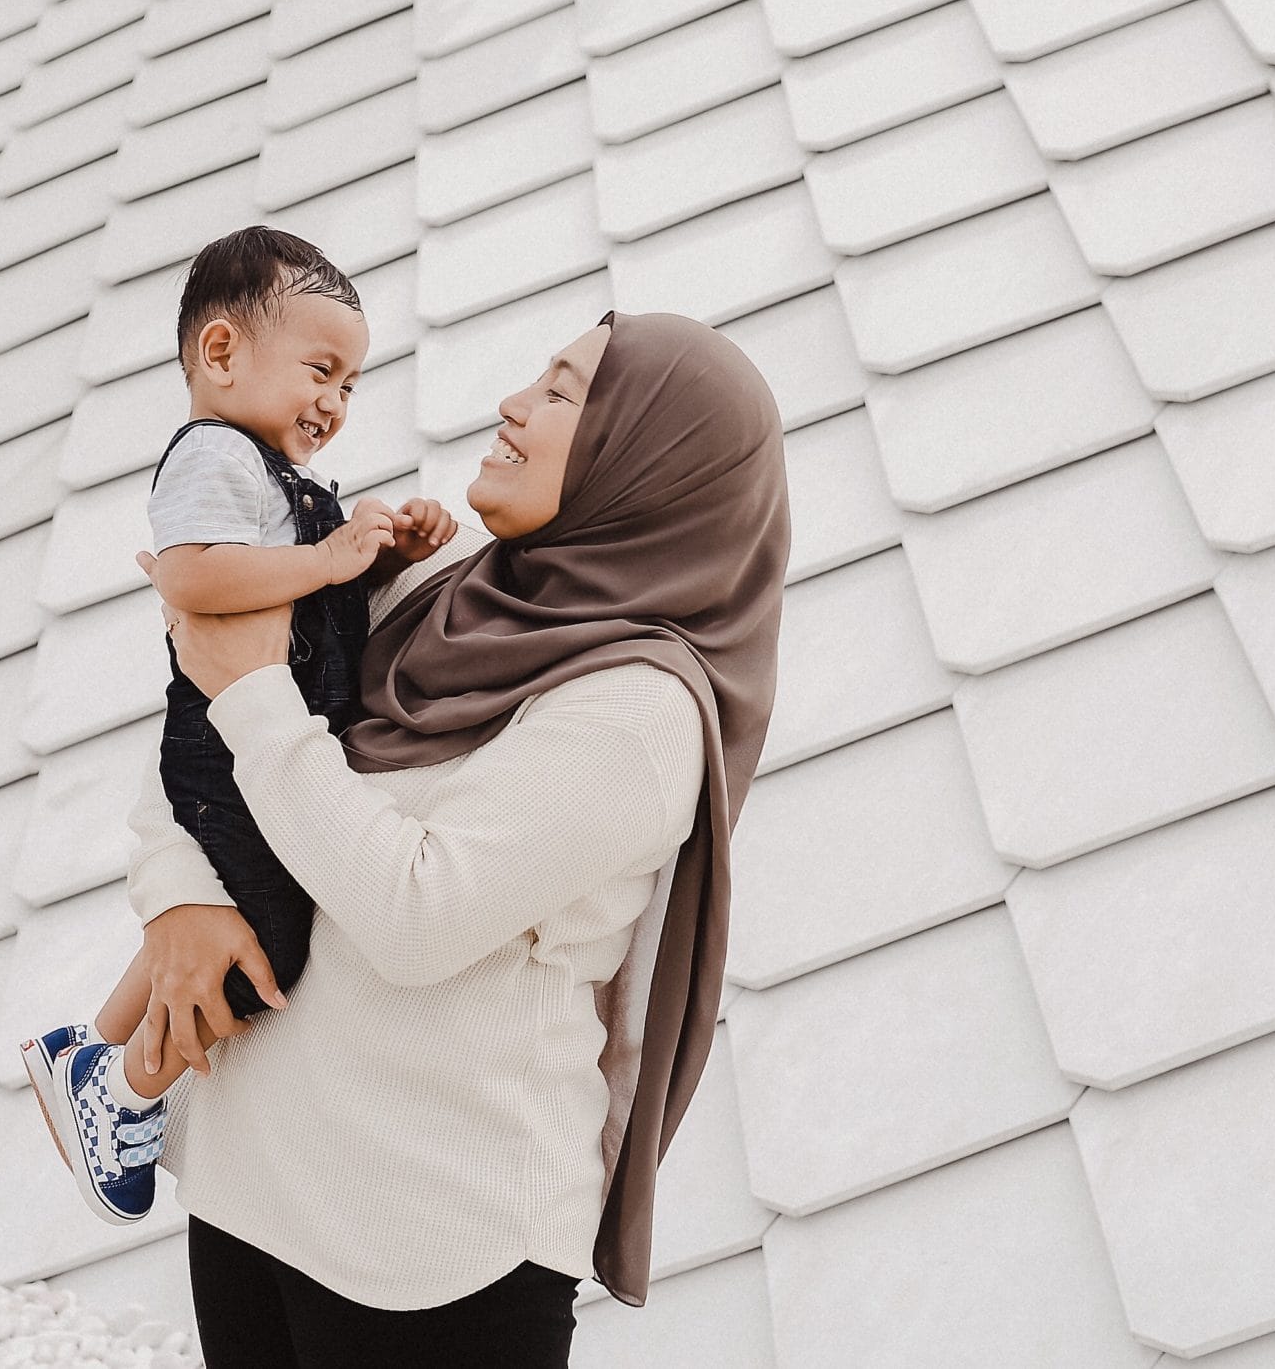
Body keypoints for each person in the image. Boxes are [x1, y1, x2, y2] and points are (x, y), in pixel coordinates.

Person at [123, 310, 790, 1368]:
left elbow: (416, 914)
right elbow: (197, 728)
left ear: (646, 460)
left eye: (565, 392)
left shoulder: (636, 713)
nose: (515, 404)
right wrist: (178, 894)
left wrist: (252, 696)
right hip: (252, 1181)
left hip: (435, 1249)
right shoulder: (445, 587)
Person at [20, 225, 458, 1225]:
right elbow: (194, 574)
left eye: (350, 384)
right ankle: (129, 1086)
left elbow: (303, 588)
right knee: (268, 945)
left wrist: (383, 549)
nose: (336, 403)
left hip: (255, 734)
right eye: (320, 370)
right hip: (223, 740)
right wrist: (328, 562)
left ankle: (93, 1054)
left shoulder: (274, 478)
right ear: (220, 353)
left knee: (228, 904)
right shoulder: (215, 455)